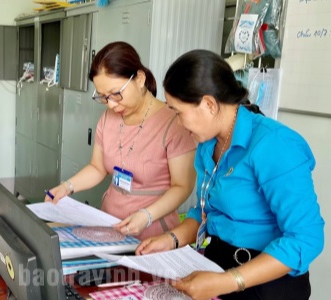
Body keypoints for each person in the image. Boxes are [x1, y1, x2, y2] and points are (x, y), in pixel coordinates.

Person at [136, 49, 325, 300]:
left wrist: (230, 281)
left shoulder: (275, 145)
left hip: (266, 283)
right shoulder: (207, 144)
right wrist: (171, 239)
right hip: (218, 269)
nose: (178, 124)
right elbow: (205, 211)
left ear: (209, 104)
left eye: (178, 112)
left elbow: (306, 239)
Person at [45, 42, 197, 240]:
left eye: (116, 94)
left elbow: (182, 186)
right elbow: (97, 167)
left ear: (140, 79)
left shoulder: (173, 123)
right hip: (110, 223)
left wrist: (146, 216)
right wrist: (67, 187)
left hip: (152, 230)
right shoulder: (108, 118)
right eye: (103, 97)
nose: (111, 104)